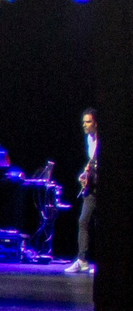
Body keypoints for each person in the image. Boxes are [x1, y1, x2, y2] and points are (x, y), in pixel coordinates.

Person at [66, 107, 98, 275]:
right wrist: (85, 174)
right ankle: (82, 260)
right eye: (83, 122)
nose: (85, 125)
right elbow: (92, 162)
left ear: (96, 123)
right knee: (83, 221)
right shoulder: (89, 139)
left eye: (88, 122)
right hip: (91, 187)